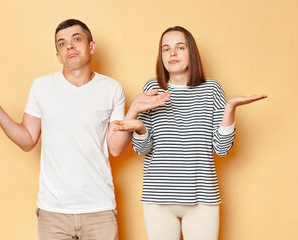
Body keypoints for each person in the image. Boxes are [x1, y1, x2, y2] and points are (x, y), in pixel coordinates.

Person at [0, 19, 170, 240]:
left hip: (99, 210)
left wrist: (133, 110)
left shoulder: (111, 88)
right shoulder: (41, 86)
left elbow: (115, 149)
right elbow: (27, 140)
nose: (69, 46)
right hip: (53, 211)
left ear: (91, 46)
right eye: (62, 43)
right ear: (58, 55)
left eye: (76, 39)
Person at [114, 26, 267, 240]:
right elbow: (142, 149)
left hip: (202, 197)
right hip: (158, 198)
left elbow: (221, 149)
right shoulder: (152, 88)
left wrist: (230, 109)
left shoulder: (211, 89)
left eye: (180, 47)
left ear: (192, 53)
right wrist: (140, 128)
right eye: (166, 49)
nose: (172, 54)